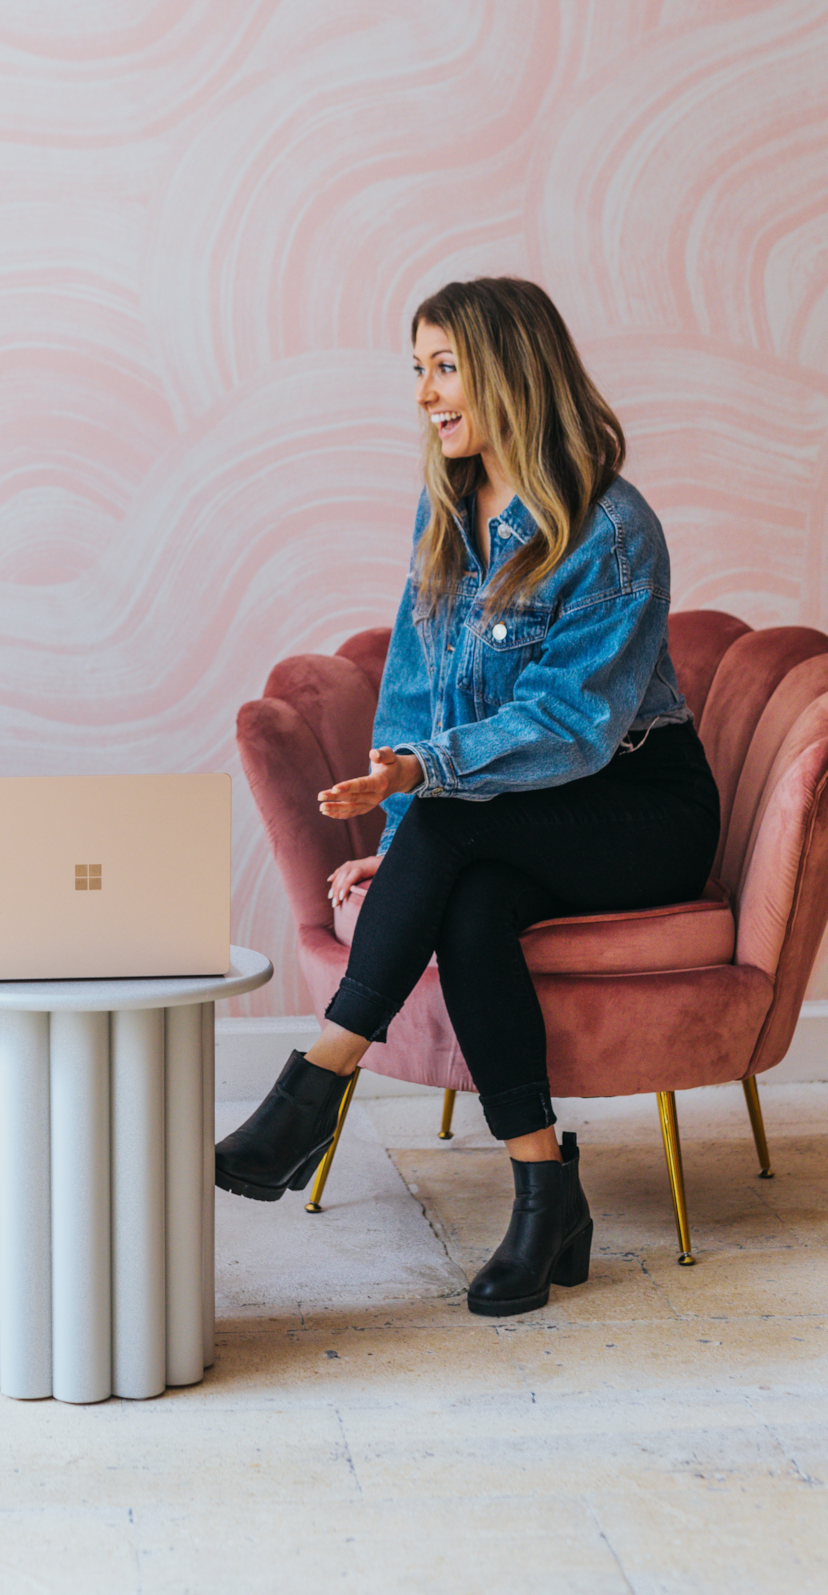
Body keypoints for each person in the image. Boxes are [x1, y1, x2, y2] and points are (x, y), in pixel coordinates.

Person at [215, 277, 720, 1316]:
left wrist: (422, 794)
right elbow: (411, 695)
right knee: (473, 906)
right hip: (507, 814)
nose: (424, 394)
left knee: (449, 823)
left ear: (510, 372)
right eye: (418, 369)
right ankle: (546, 1200)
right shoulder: (448, 509)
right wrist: (406, 832)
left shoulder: (609, 526)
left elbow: (571, 726)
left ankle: (314, 1086)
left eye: (444, 367)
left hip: (638, 811)